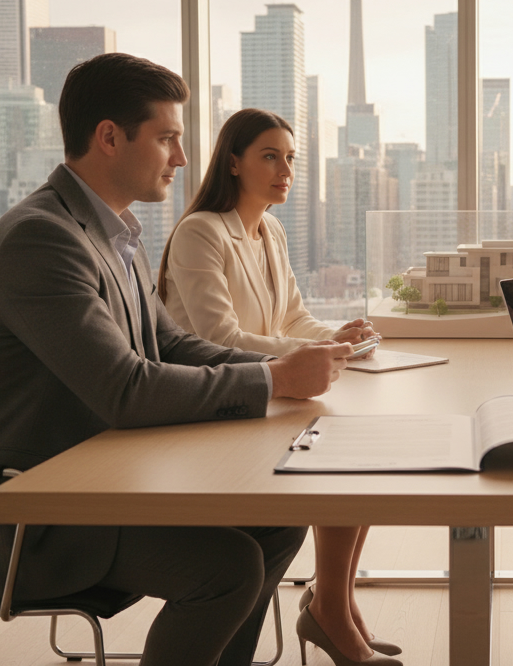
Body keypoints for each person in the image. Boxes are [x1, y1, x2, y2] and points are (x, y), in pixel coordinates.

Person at [0, 53, 355, 666]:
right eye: (167, 139)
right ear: (109, 137)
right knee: (228, 567)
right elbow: (124, 390)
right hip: (33, 514)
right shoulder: (40, 239)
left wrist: (281, 375)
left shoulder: (111, 231)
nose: (182, 159)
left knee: (279, 522)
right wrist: (271, 377)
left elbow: (173, 344)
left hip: (105, 477)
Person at [157, 108, 395, 666]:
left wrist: (337, 336)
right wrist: (308, 357)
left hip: (262, 401)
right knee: (337, 460)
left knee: (355, 453)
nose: (284, 169)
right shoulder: (201, 232)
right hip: (210, 413)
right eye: (270, 156)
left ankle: (336, 604)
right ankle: (332, 614)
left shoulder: (270, 230)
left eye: (290, 158)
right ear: (233, 162)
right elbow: (222, 337)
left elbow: (290, 320)